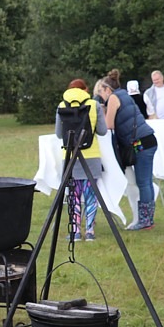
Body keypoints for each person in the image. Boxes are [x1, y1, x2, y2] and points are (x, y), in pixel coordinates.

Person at [100, 69, 158, 230]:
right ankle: (148, 219)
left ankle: (145, 221)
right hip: (148, 140)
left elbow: (108, 125)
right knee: (146, 182)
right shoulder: (124, 94)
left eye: (101, 92)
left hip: (141, 143)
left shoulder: (113, 98)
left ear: (107, 89)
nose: (101, 95)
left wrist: (102, 113)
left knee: (143, 182)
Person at [56, 79, 108, 241]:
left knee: (74, 195)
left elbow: (59, 134)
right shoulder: (94, 104)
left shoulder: (62, 105)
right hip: (91, 155)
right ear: (85, 89)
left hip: (70, 156)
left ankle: (76, 231)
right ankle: (90, 231)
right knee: (91, 196)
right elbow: (102, 131)